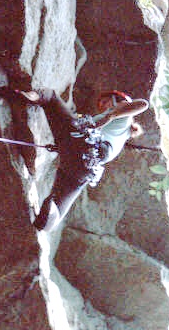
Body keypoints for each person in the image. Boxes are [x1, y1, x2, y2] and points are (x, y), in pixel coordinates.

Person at [32, 89, 148, 232]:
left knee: (51, 98)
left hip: (90, 147)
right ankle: (48, 217)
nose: (102, 106)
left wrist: (113, 113)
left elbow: (143, 104)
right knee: (60, 207)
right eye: (101, 105)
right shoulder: (121, 133)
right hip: (83, 166)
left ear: (118, 100)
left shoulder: (123, 115)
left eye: (105, 102)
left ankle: (32, 95)